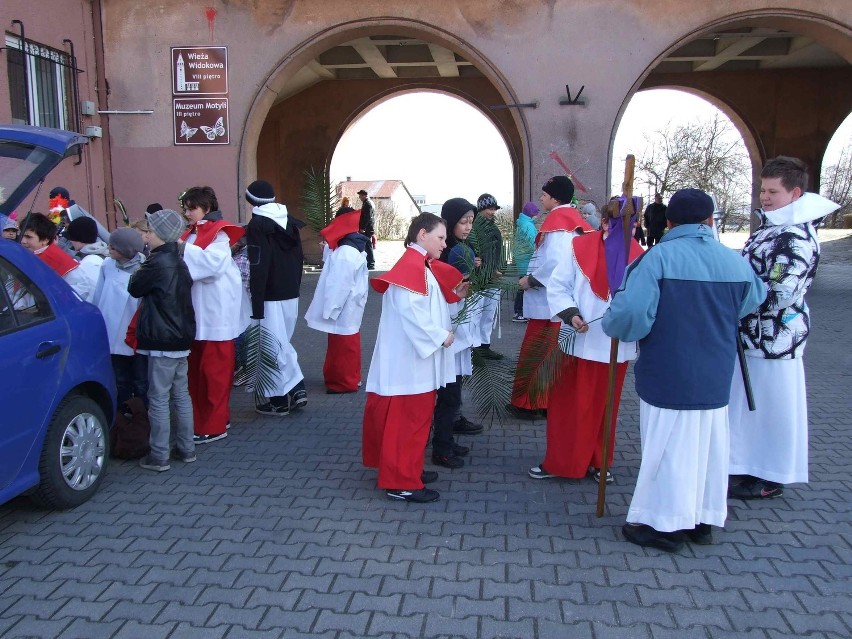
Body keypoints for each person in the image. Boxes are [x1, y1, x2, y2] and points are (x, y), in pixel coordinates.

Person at [602, 188, 766, 551]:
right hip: (715, 372)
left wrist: (614, 324)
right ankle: (703, 520)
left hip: (669, 370)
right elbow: (753, 298)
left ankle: (664, 526)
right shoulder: (734, 261)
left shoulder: (657, 259)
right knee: (708, 449)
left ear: (671, 222)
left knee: (669, 448)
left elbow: (629, 317)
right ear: (710, 221)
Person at [727, 157, 840, 501]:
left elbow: (780, 292)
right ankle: (746, 464)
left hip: (776, 338)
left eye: (773, 191)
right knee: (750, 405)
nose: (765, 197)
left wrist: (731, 301)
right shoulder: (772, 227)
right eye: (763, 189)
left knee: (775, 408)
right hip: (752, 335)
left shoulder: (797, 236)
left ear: (795, 192)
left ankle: (771, 473)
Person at [528, 198, 644, 484]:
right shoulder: (578, 247)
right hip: (579, 340)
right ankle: (563, 462)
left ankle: (599, 461)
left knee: (606, 408)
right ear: (604, 222)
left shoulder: (640, 256)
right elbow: (558, 285)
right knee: (570, 407)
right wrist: (570, 314)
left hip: (615, 346)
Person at [362, 213, 468, 503]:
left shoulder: (417, 265)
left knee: (416, 421)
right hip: (409, 363)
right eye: (440, 237)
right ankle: (401, 483)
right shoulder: (412, 266)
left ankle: (409, 470)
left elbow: (424, 304)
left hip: (414, 360)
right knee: (408, 423)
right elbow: (412, 312)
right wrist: (439, 336)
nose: (444, 244)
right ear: (422, 234)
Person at [510, 177, 592, 417]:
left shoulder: (559, 223)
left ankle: (529, 403)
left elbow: (555, 261)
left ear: (556, 198)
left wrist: (531, 280)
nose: (542, 198)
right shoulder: (575, 223)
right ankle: (545, 401)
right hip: (561, 302)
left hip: (549, 302)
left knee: (537, 354)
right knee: (551, 354)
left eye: (545, 194)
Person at [180, 186, 250, 443]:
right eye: (186, 208)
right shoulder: (193, 233)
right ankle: (208, 418)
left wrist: (180, 248)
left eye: (192, 208)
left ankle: (214, 424)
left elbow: (210, 266)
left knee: (214, 374)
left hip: (216, 316)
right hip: (199, 313)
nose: (187, 213)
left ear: (207, 209)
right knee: (198, 374)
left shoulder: (219, 234)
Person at [128, 209, 197, 472]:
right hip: (180, 336)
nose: (145, 237)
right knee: (181, 394)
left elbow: (135, 287)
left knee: (158, 397)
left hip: (161, 338)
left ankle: (159, 455)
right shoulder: (179, 260)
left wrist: (139, 266)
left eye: (148, 232)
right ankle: (187, 448)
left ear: (158, 234)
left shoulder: (156, 262)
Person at [243, 180, 307, 414]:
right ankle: (292, 390)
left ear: (251, 201)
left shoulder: (257, 225)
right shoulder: (289, 221)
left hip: (269, 294)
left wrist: (256, 303)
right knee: (281, 342)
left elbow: (258, 265)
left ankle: (282, 397)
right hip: (291, 292)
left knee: (271, 345)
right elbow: (299, 260)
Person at [431, 198, 485, 470]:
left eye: (471, 222)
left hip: (460, 329)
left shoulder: (461, 249)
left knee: (454, 389)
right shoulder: (443, 254)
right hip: (449, 331)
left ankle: (447, 440)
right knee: (448, 393)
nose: (467, 227)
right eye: (463, 222)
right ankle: (441, 447)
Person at [305, 209, 369, 394]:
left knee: (342, 347)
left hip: (343, 307)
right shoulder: (350, 247)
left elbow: (339, 284)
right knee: (347, 344)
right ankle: (350, 378)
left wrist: (331, 309)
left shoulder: (346, 252)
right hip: (350, 306)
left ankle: (342, 382)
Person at [92, 228, 148, 406]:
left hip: (134, 333)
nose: (109, 249)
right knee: (119, 379)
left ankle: (143, 416)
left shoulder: (144, 268)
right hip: (110, 329)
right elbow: (99, 294)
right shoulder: (107, 265)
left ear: (125, 250)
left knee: (140, 380)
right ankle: (124, 414)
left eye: (113, 247)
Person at [19, 212, 97, 301]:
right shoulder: (27, 255)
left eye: (28, 237)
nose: (23, 241)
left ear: (45, 239)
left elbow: (81, 290)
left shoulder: (59, 260)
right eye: (21, 235)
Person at [472, 193, 505, 360]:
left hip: (494, 279)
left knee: (489, 315)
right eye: (489, 209)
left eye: (494, 209)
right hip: (480, 279)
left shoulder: (493, 226)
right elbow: (474, 252)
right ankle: (475, 350)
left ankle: (484, 346)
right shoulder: (474, 227)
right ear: (481, 209)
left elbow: (499, 250)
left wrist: (501, 268)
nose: (492, 212)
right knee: (476, 314)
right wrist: (486, 268)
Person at [512, 201, 539, 323]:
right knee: (524, 287)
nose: (538, 216)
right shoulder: (528, 226)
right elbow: (533, 243)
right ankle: (519, 312)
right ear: (532, 214)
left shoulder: (523, 224)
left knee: (523, 286)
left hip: (522, 260)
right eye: (536, 213)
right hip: (527, 261)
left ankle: (520, 311)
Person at [65, 216, 109, 285]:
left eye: (71, 237)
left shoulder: (90, 262)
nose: (70, 241)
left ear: (79, 237)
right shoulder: (104, 253)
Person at [357, 189, 376, 270]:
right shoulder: (368, 203)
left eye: (360, 195)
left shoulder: (368, 204)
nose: (359, 197)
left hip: (367, 228)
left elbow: (367, 217)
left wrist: (362, 228)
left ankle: (371, 263)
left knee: (368, 245)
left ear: (365, 195)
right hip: (368, 228)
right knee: (367, 245)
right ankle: (369, 262)